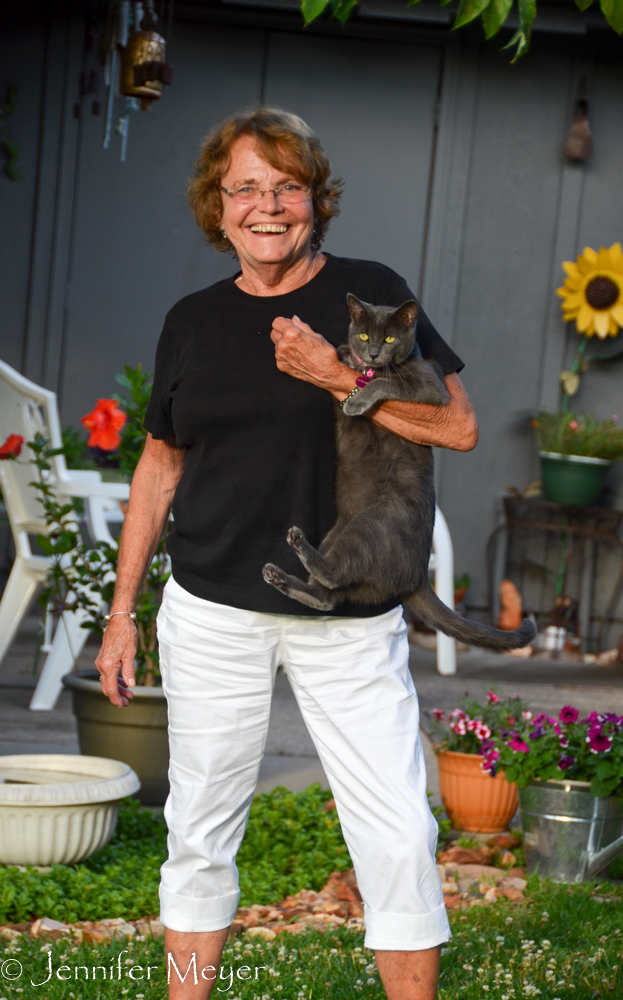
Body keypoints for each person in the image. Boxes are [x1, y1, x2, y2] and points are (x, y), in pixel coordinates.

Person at [95, 107, 478, 1000]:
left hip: (346, 618)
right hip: (213, 608)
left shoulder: (370, 292)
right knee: (199, 825)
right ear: (217, 207)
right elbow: (160, 464)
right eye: (246, 189)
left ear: (316, 200)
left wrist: (338, 376)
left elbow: (455, 426)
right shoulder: (190, 319)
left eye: (287, 188)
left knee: (394, 830)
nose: (267, 207)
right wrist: (121, 614)